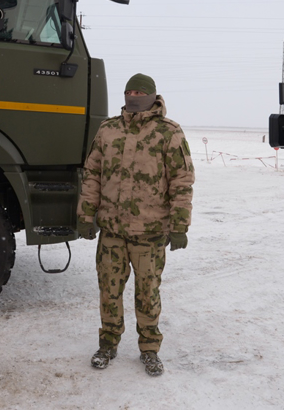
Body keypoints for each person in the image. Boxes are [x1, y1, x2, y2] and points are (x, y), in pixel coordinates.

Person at [77, 73, 195, 377]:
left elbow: (182, 180)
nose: (133, 96)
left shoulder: (169, 132)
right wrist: (85, 215)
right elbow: (92, 175)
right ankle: (108, 343)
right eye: (129, 91)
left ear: (152, 96)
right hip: (112, 231)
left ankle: (150, 349)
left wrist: (180, 224)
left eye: (139, 92)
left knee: (147, 293)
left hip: (150, 233)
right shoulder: (108, 129)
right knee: (109, 291)